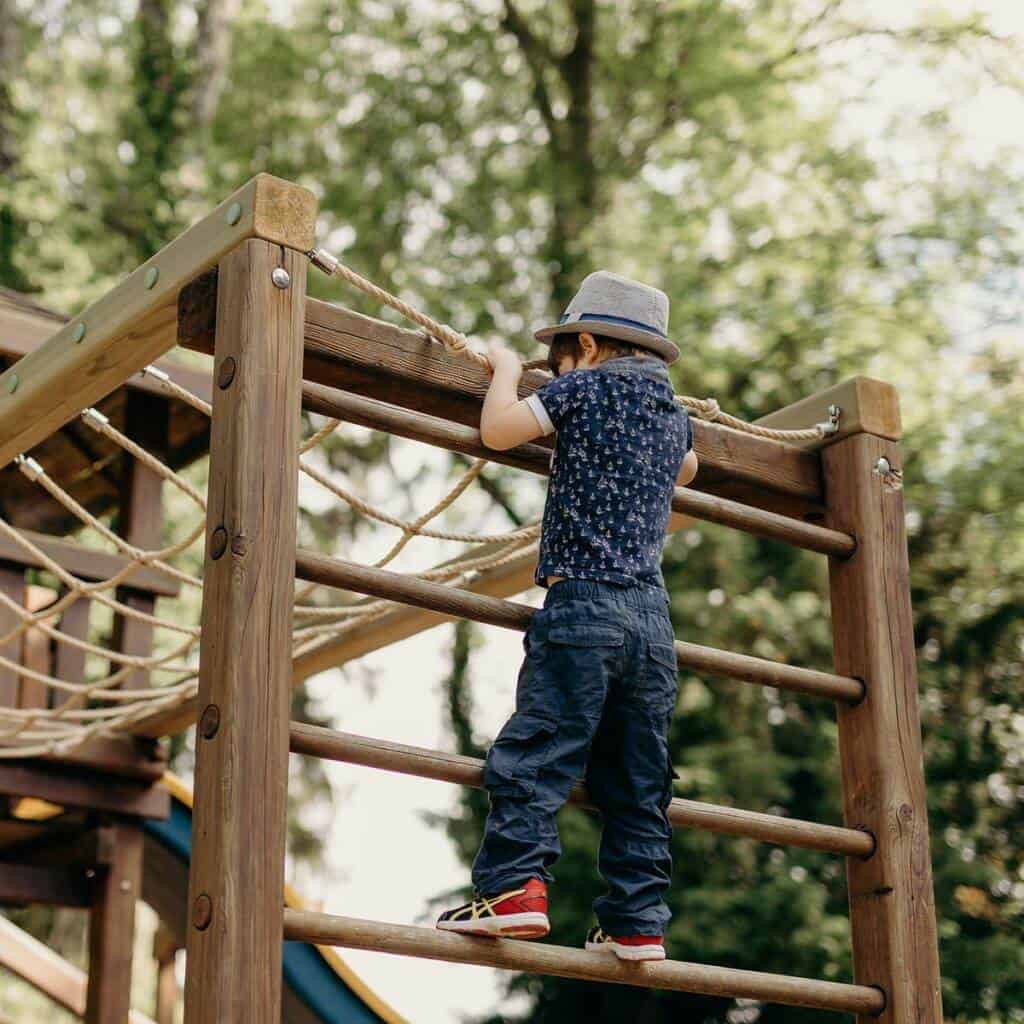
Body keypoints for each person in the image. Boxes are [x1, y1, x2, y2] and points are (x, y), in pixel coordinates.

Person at [436, 271, 698, 962]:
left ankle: (515, 891)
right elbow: (689, 469)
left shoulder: (584, 388)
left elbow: (498, 429)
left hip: (583, 604)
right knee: (641, 777)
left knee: (541, 750)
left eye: (559, 359)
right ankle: (638, 920)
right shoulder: (674, 416)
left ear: (584, 343)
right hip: (652, 624)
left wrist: (500, 370)